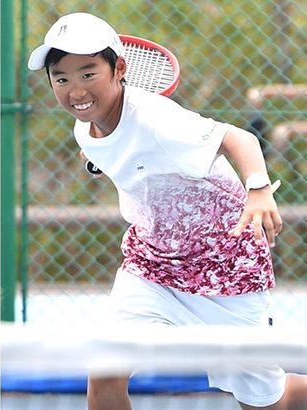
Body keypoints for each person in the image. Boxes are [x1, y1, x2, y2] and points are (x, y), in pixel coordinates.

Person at [28, 12, 307, 410]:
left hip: (225, 265)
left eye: (88, 74)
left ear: (119, 68)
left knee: (266, 402)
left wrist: (259, 190)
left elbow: (239, 138)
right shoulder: (84, 130)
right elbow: (115, 154)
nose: (76, 90)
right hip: (153, 266)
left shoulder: (159, 119)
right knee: (105, 373)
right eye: (62, 78)